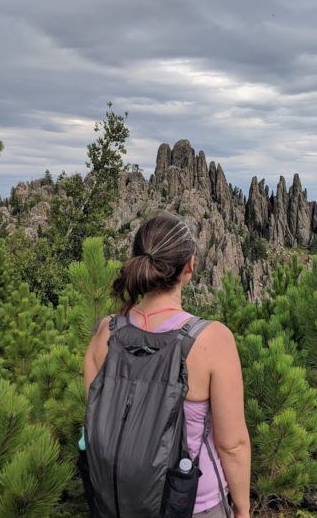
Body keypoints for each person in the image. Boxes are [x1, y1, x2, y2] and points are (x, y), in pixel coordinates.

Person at [83, 212, 251, 518]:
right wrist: (243, 509)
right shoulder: (212, 340)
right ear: (189, 266)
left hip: (118, 503)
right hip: (192, 504)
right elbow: (233, 445)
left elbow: (100, 419)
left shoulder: (105, 333)